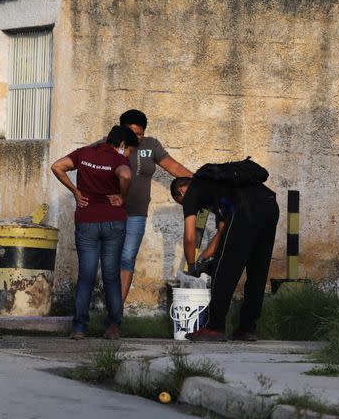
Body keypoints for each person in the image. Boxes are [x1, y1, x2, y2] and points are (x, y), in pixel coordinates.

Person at [50, 126, 138, 340]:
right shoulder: (119, 160)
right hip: (113, 222)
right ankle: (113, 327)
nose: (128, 155)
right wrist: (122, 197)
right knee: (111, 276)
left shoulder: (84, 153)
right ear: (122, 145)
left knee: (86, 276)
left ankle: (79, 328)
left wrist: (75, 191)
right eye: (129, 150)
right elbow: (126, 176)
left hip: (87, 221)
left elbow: (57, 166)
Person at [170, 175, 279, 341]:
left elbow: (190, 238)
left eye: (182, 202)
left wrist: (191, 265)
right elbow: (223, 231)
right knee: (257, 270)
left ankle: (215, 327)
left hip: (246, 208)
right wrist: (203, 260)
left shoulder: (192, 192)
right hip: (270, 204)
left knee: (224, 269)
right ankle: (247, 328)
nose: (192, 208)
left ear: (182, 191)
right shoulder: (220, 188)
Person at [115, 109, 192, 304]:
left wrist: (202, 181)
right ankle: (107, 307)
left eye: (140, 133)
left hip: (136, 214)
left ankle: (116, 314)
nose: (136, 137)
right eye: (132, 132)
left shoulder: (151, 145)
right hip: (111, 212)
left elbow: (173, 167)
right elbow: (89, 159)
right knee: (109, 260)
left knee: (127, 258)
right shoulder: (110, 143)